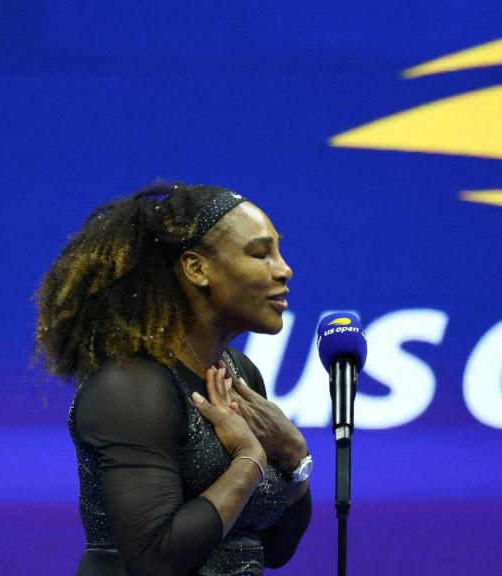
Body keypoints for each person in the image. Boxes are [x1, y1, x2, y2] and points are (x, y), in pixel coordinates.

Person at [34, 183, 313, 576]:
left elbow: (275, 549)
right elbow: (156, 560)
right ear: (197, 268)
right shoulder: (131, 387)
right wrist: (249, 459)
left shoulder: (240, 374)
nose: (284, 269)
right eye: (260, 253)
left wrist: (295, 457)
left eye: (279, 252)